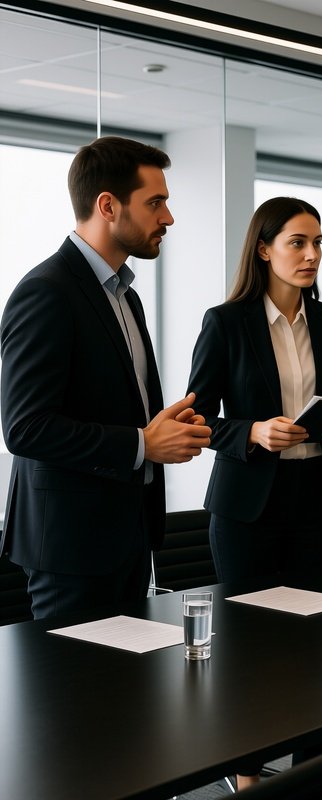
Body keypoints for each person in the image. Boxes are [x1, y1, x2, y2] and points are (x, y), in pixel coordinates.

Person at [187, 196, 322, 788]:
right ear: (264, 248)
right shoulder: (226, 321)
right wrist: (253, 431)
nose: (311, 255)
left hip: (316, 498)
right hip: (246, 507)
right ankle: (245, 773)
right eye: (297, 242)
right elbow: (197, 418)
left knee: (314, 646)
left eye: (318, 244)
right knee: (249, 646)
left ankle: (310, 768)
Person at [0, 136, 211, 621]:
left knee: (127, 694)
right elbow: (25, 428)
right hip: (71, 550)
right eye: (155, 203)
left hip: (129, 535)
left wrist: (163, 429)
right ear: (108, 206)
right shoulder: (46, 292)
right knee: (76, 696)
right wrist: (142, 443)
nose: (168, 218)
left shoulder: (125, 295)